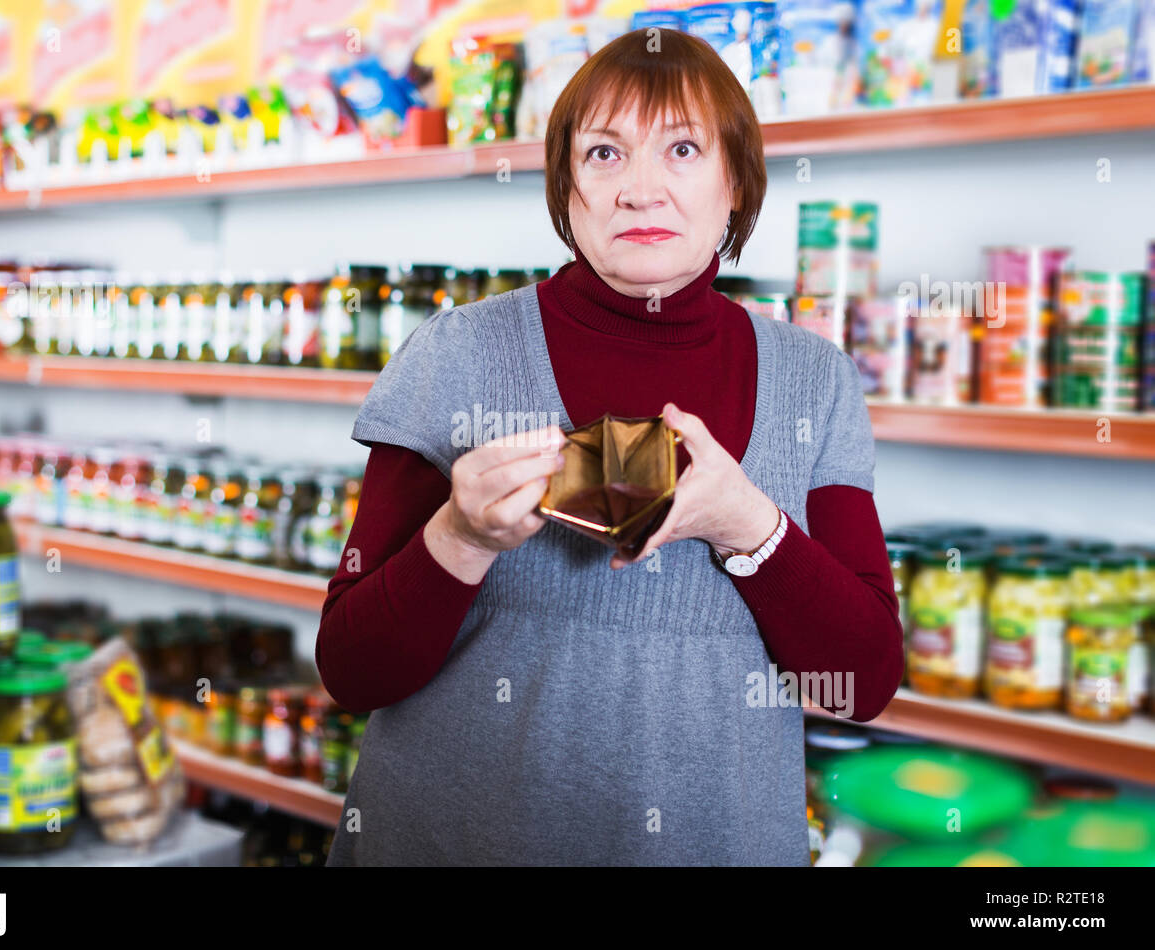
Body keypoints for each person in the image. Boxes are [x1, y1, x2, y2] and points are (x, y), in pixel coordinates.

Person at [317, 27, 903, 866]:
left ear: (734, 182)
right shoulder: (454, 355)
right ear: (567, 188)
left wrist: (751, 528)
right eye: (603, 153)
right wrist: (459, 539)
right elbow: (350, 671)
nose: (641, 189)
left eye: (684, 148)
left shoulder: (817, 381)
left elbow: (865, 682)